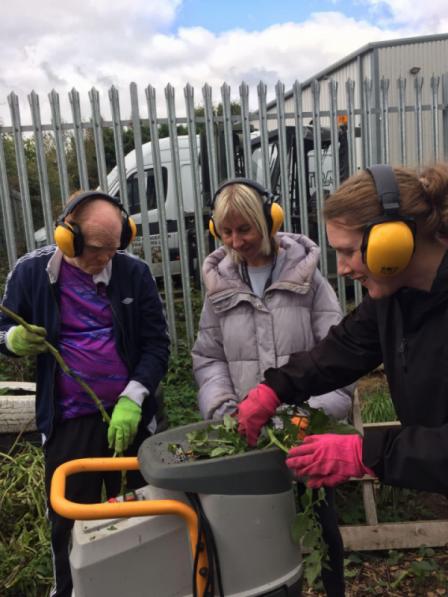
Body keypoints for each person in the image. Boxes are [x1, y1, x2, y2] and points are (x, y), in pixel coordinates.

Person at [236, 163, 448, 496]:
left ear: (393, 242)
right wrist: (275, 388)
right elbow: (344, 348)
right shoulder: (395, 299)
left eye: (349, 251)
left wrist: (365, 453)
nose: (342, 268)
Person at [0, 190, 170, 597]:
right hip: (69, 421)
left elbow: (156, 344)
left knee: (139, 518)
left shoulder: (134, 272)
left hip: (131, 419)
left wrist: (134, 396)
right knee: (71, 524)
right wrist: (13, 340)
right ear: (67, 238)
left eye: (115, 248)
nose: (107, 258)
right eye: (98, 249)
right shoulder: (31, 273)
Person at [192, 178, 353, 597]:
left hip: (305, 432)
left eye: (244, 229)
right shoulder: (218, 287)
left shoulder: (309, 280)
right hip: (248, 437)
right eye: (225, 231)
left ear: (270, 221)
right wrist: (225, 409)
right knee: (255, 533)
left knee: (322, 526)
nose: (236, 240)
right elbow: (209, 357)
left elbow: (340, 356)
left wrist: (306, 417)